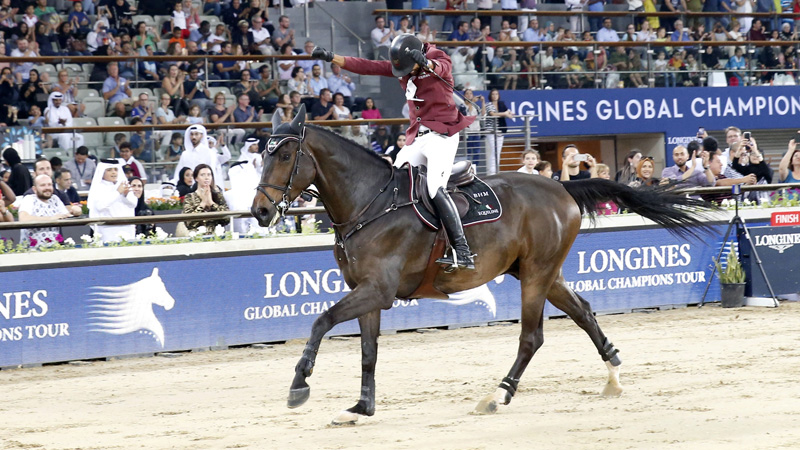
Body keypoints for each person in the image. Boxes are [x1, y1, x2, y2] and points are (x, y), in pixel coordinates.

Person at [312, 35, 476, 270]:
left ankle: (462, 250)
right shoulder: (404, 66)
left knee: (433, 188)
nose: (404, 73)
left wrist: (427, 64)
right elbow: (368, 66)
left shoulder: (437, 57)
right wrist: (332, 57)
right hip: (417, 137)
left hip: (442, 135)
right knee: (391, 181)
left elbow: (443, 67)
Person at [88, 159, 137, 243]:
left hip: (127, 227)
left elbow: (134, 204)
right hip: (108, 229)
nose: (113, 172)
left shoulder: (123, 184)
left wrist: (125, 195)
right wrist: (118, 192)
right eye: (109, 170)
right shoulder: (98, 187)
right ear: (102, 172)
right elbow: (100, 206)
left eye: (116, 170)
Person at [18, 174, 71, 247]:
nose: (47, 188)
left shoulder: (55, 199)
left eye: (49, 185)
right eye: (43, 185)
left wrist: (76, 211)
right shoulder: (29, 199)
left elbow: (67, 215)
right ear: (34, 189)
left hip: (54, 248)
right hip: (31, 250)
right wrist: (50, 219)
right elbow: (23, 219)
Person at [182, 163, 229, 232]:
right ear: (196, 178)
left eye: (209, 175)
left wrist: (211, 203)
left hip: (218, 236)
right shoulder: (189, 197)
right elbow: (189, 223)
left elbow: (227, 219)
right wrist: (202, 204)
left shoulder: (218, 195)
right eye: (202, 175)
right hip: (198, 237)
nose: (206, 177)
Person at [484, 89, 513, 176]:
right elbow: (492, 114)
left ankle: (496, 170)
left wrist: (509, 113)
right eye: (493, 94)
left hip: (500, 129)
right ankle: (492, 172)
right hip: (491, 130)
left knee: (498, 151)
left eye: (496, 94)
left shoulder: (501, 104)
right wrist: (505, 114)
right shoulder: (488, 104)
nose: (495, 96)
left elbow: (509, 113)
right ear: (490, 95)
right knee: (494, 150)